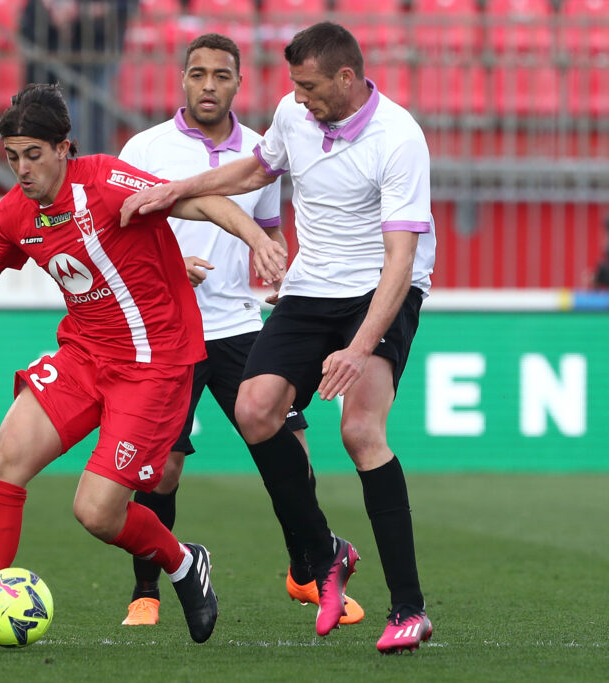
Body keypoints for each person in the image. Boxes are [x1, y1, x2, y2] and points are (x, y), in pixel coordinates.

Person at [0, 83, 289, 649]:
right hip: (84, 354)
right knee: (6, 459)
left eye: (33, 154)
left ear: (65, 148)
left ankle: (184, 563)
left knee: (98, 513)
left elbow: (198, 200)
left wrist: (257, 237)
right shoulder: (15, 213)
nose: (22, 169)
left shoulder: (107, 181)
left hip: (154, 364)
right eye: (12, 157)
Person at [120, 22, 437, 654]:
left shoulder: (399, 138)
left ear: (347, 79)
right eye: (295, 85)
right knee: (256, 411)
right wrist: (182, 190)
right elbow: (256, 170)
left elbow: (401, 260)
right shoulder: (294, 114)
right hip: (311, 288)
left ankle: (409, 608)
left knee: (359, 432)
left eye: (311, 86)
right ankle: (326, 554)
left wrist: (358, 347)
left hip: (379, 289)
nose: (298, 97)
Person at [20, 0, 137, 154]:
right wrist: (49, 9)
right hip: (52, 63)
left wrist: (80, 11)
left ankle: (91, 169)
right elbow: (27, 27)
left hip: (96, 57)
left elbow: (126, 6)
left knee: (92, 125)